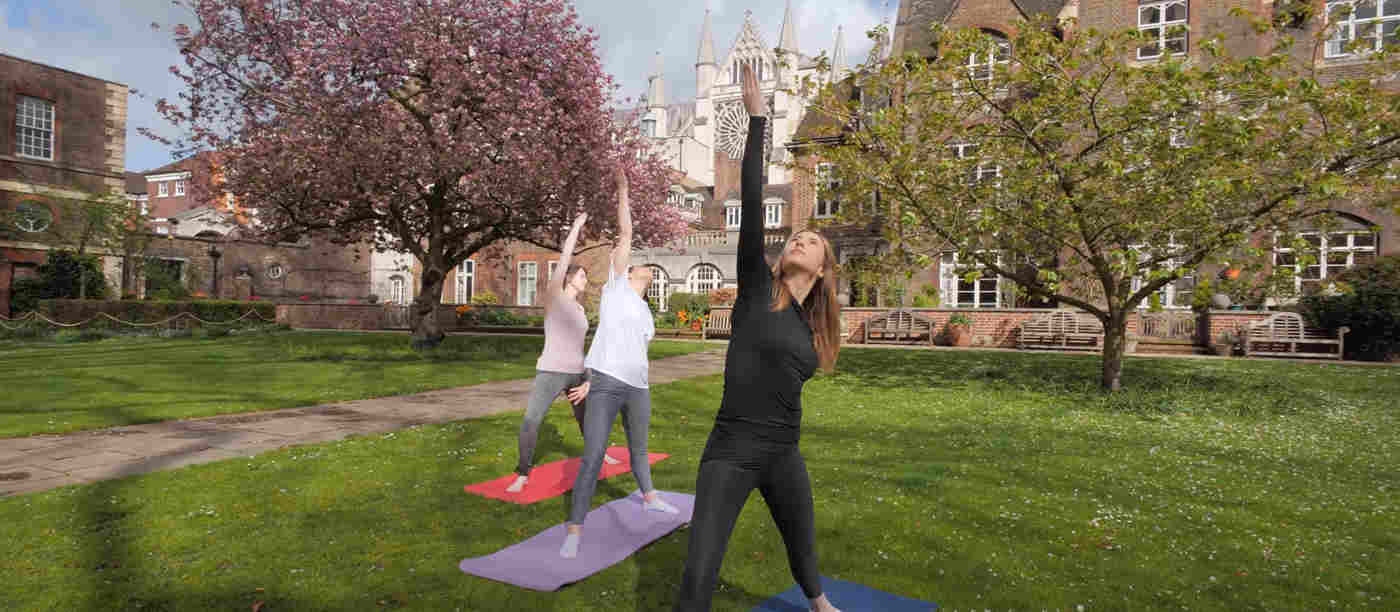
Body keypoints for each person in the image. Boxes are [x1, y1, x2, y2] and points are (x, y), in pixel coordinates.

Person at [672, 64, 844, 612]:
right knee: (701, 563)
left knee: (802, 538)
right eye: (797, 234)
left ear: (821, 268)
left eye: (811, 239)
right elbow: (749, 199)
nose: (800, 238)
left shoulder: (810, 325)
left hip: (784, 450)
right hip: (731, 448)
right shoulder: (754, 290)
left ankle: (819, 604)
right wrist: (756, 120)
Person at [560, 167, 679, 559]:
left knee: (639, 449)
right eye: (636, 263)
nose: (644, 265)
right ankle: (575, 527)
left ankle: (649, 497)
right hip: (608, 384)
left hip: (638, 387)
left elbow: (635, 349)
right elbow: (626, 234)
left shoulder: (644, 310)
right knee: (594, 455)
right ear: (626, 273)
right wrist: (624, 190)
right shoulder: (615, 289)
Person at [506, 211, 620, 494]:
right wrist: (577, 227)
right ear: (568, 278)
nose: (585, 279)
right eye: (581, 275)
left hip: (578, 374)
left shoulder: (581, 310)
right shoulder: (555, 297)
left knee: (588, 420)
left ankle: (601, 453)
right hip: (552, 372)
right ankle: (522, 473)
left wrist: (587, 376)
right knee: (532, 419)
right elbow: (566, 256)